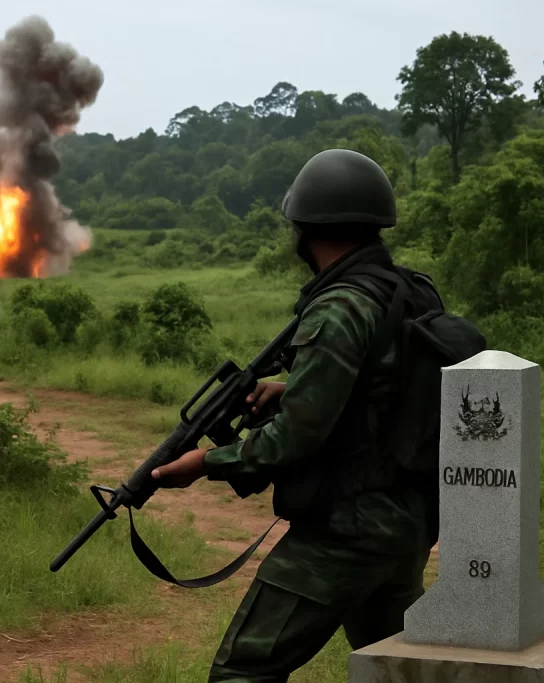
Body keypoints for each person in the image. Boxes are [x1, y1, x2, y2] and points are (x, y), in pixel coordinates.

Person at [151, 149, 441, 682]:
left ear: (306, 228)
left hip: (347, 530)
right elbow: (382, 389)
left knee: (242, 673)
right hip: (407, 523)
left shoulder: (339, 307)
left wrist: (206, 462)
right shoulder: (404, 289)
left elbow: (292, 441)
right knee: (398, 673)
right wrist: (292, 388)